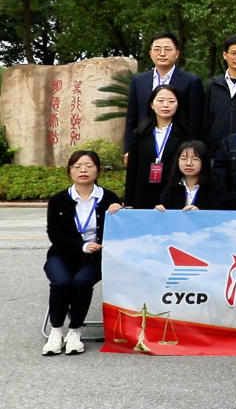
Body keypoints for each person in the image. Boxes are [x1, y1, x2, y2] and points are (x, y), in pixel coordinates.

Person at [41, 151, 123, 356]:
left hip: (96, 258)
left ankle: (75, 332)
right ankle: (56, 331)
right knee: (61, 282)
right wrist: (82, 246)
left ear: (98, 171)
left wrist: (119, 212)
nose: (83, 170)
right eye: (77, 166)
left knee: (82, 282)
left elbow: (120, 232)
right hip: (62, 254)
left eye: (89, 165)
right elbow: (54, 234)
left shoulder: (109, 198)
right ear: (70, 172)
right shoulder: (58, 200)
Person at [124, 32, 204, 163]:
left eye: (167, 49)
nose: (162, 53)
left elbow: (195, 120)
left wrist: (191, 150)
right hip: (144, 144)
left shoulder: (191, 81)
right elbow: (132, 117)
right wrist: (128, 149)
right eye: (157, 49)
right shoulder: (139, 80)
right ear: (150, 54)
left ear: (177, 54)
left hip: (178, 147)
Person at [124, 85, 192, 210]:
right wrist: (128, 203)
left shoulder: (186, 134)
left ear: (178, 105)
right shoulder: (140, 134)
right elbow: (132, 170)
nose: (165, 105)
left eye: (171, 101)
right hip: (143, 196)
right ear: (152, 104)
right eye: (160, 100)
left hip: (174, 194)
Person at [156, 141, 228, 211]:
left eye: (195, 159)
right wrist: (159, 212)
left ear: (204, 162)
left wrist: (200, 214)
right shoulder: (171, 189)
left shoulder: (218, 190)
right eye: (184, 158)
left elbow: (221, 216)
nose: (189, 163)